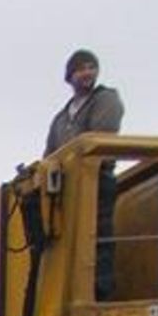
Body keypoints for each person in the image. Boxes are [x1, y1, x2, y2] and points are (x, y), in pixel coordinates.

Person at [45, 49, 126, 299]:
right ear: (70, 76)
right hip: (68, 188)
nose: (87, 73)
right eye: (81, 68)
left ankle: (100, 292)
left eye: (91, 67)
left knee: (97, 236)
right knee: (67, 241)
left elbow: (98, 138)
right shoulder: (61, 118)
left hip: (96, 180)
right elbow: (49, 154)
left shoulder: (106, 99)